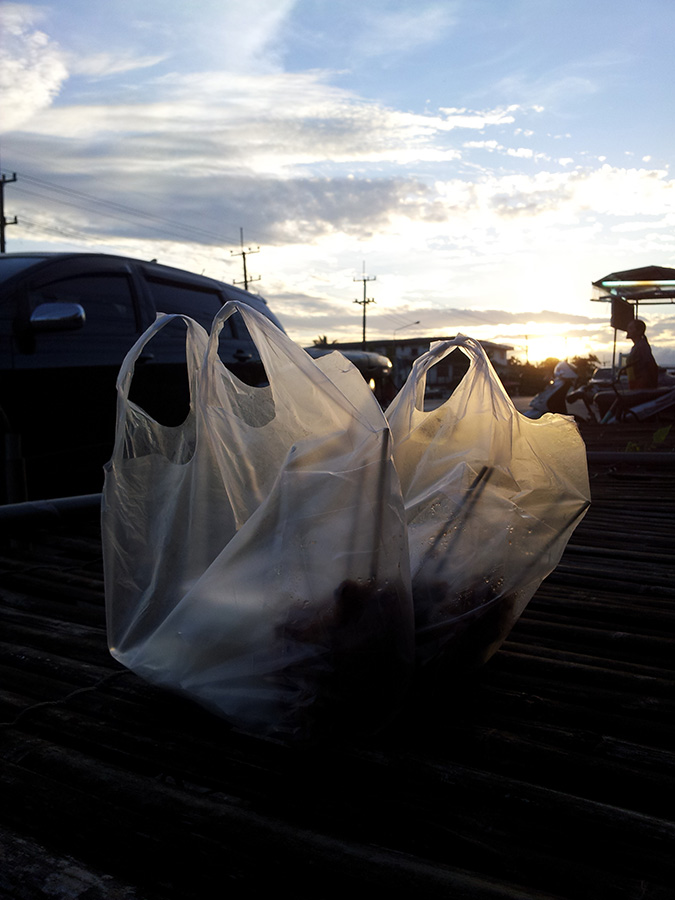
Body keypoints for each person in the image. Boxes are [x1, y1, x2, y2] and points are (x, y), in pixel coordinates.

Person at [623, 319, 659, 389]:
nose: (627, 330)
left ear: (639, 331)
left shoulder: (642, 347)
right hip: (635, 385)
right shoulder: (637, 347)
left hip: (641, 386)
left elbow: (650, 366)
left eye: (630, 328)